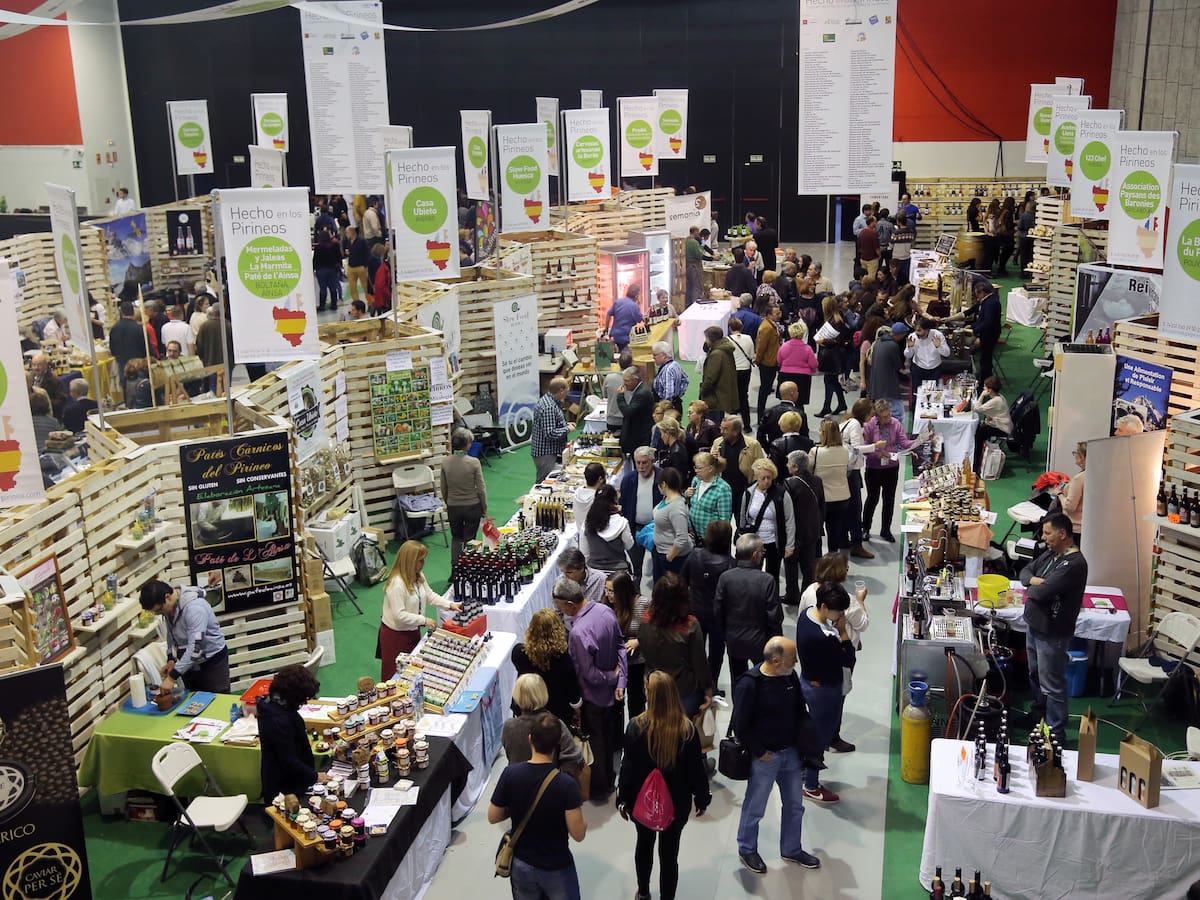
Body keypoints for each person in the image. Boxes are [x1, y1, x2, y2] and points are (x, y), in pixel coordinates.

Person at [617, 670, 711, 900]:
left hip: (643, 801)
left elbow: (627, 768)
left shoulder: (635, 727)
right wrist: (701, 799)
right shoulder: (686, 730)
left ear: (649, 694)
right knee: (670, 855)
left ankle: (643, 892)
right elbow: (696, 771)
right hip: (676, 805)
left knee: (644, 845)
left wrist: (623, 799)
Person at [733, 636, 821, 873]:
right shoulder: (750, 684)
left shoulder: (789, 677)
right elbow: (741, 725)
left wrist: (807, 742)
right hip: (766, 758)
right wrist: (760, 752)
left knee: (795, 805)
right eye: (792, 658)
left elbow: (800, 709)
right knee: (755, 806)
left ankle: (792, 849)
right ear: (775, 660)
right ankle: (747, 848)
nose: (796, 662)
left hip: (791, 753)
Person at [488, 712, 588, 899]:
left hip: (521, 864)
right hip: (556, 865)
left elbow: (493, 816)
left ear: (530, 739)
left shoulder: (511, 774)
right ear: (557, 744)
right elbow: (578, 834)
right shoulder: (566, 785)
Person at [553, 576, 627, 802]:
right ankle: (610, 777)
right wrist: (620, 680)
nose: (559, 610)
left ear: (570, 604)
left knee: (596, 741)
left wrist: (612, 677)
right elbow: (621, 646)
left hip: (593, 697)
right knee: (608, 736)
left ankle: (599, 787)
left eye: (559, 606)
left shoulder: (578, 632)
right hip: (612, 694)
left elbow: (590, 675)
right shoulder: (606, 611)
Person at [1018, 514, 1088, 743]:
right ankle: (1039, 715)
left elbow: (1040, 592)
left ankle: (1056, 731)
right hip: (1035, 624)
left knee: (1052, 683)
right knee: (1035, 675)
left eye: (1048, 533)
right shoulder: (1052, 553)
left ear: (1062, 534)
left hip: (1052, 632)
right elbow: (1025, 573)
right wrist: (1036, 582)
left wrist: (1035, 585)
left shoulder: (1074, 564)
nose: (1043, 537)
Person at [798, 556, 869, 753]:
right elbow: (862, 625)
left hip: (812, 666)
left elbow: (802, 616)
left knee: (817, 710)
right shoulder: (845, 605)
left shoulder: (809, 593)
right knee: (836, 700)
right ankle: (829, 738)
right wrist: (861, 602)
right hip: (833, 666)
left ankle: (823, 734)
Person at [794, 582, 855, 803]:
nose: (841, 615)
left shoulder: (806, 615)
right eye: (838, 611)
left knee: (809, 733)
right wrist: (843, 632)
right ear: (823, 606)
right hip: (824, 691)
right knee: (819, 738)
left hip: (808, 681)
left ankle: (802, 771)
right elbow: (848, 658)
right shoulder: (825, 637)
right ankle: (811, 785)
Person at [379, 541, 461, 680]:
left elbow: (429, 595)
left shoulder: (418, 576)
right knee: (394, 675)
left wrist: (450, 604)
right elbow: (399, 615)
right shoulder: (396, 584)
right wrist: (424, 620)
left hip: (412, 631)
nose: (423, 563)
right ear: (410, 561)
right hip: (396, 637)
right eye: (420, 560)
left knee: (412, 672)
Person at [139, 579, 230, 693]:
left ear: (168, 597)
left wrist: (172, 677)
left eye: (159, 610)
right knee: (192, 699)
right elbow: (171, 634)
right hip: (189, 663)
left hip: (212, 662)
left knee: (218, 700)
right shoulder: (169, 608)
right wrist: (171, 659)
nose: (159, 614)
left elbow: (196, 648)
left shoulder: (194, 609)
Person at [715, 534, 783, 682]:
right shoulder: (767, 580)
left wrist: (726, 636)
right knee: (763, 682)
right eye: (762, 552)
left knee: (738, 681)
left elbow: (718, 612)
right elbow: (775, 617)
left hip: (734, 640)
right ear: (755, 555)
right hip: (760, 643)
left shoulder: (725, 578)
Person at [681, 519, 735, 693]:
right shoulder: (731, 564)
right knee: (716, 654)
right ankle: (711, 686)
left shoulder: (695, 556)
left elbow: (682, 581)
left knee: (694, 651)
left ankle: (696, 685)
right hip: (719, 617)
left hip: (695, 611)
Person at [258, 665, 327, 801]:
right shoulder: (278, 720)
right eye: (303, 698)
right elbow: (288, 760)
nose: (304, 702)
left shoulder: (276, 705)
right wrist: (315, 776)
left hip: (293, 780)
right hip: (286, 789)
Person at [503, 674, 584, 778]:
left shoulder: (509, 727)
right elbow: (574, 759)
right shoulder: (554, 725)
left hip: (518, 782)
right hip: (550, 783)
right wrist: (559, 781)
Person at [512, 609, 581, 726]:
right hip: (555, 716)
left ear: (531, 628)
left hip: (526, 709)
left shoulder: (519, 652)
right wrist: (577, 710)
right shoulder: (562, 658)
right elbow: (572, 689)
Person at [862, 400, 915, 543]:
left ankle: (886, 530)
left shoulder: (896, 424)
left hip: (891, 467)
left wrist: (919, 441)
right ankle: (865, 528)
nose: (888, 418)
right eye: (884, 417)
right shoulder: (869, 426)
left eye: (889, 415)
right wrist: (878, 455)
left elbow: (904, 443)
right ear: (877, 416)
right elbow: (865, 449)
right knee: (872, 498)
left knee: (889, 499)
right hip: (874, 468)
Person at [737, 458, 795, 585]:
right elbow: (743, 516)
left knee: (772, 577)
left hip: (774, 542)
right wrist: (741, 537)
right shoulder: (749, 492)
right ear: (756, 477)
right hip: (754, 542)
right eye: (762, 478)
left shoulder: (781, 493)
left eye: (769, 477)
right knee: (752, 576)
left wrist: (789, 546)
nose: (766, 481)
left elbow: (790, 521)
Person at [606, 571, 650, 720]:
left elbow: (655, 630)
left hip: (637, 661)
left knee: (636, 701)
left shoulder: (643, 603)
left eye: (612, 591)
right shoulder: (607, 606)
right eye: (607, 590)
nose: (608, 594)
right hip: (616, 662)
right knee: (616, 703)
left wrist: (638, 641)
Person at [442, 427, 487, 566]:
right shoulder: (474, 462)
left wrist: (448, 502)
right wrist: (484, 507)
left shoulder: (445, 462)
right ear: (467, 444)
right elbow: (481, 488)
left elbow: (443, 487)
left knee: (456, 538)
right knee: (470, 539)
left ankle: (455, 568)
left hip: (453, 506)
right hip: (472, 506)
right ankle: (469, 567)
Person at [784, 451, 825, 596]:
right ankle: (806, 594)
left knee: (791, 563)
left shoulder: (789, 483)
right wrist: (819, 526)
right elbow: (822, 505)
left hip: (795, 531)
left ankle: (792, 594)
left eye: (789, 463)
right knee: (809, 565)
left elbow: (786, 510)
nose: (787, 465)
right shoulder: (817, 480)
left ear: (795, 467)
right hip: (812, 529)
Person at [840, 399, 877, 560]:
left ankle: (843, 539)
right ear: (865, 413)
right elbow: (856, 448)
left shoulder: (847, 421)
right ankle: (857, 545)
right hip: (852, 472)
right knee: (855, 508)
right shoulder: (855, 424)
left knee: (845, 507)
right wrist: (876, 446)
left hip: (844, 470)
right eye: (871, 412)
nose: (873, 415)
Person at [809, 417, 852, 554]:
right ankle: (833, 559)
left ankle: (817, 559)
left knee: (817, 531)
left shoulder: (815, 452)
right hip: (842, 497)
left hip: (822, 499)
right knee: (835, 531)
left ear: (824, 433)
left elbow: (809, 472)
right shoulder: (845, 450)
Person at [619, 448, 662, 583]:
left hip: (656, 530)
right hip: (635, 529)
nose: (641, 467)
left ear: (652, 462)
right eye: (638, 463)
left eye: (644, 463)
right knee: (636, 567)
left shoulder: (662, 477)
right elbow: (623, 503)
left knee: (657, 567)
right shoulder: (628, 479)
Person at [651, 468, 693, 581]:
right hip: (660, 551)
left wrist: (669, 557)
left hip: (673, 557)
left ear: (664, 484)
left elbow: (682, 537)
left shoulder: (676, 508)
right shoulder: (666, 498)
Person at [582, 484, 633, 577]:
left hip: (595, 573)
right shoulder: (622, 522)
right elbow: (629, 545)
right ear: (614, 500)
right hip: (619, 574)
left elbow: (584, 552)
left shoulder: (587, 523)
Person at [711, 414, 763, 503]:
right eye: (721, 428)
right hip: (723, 492)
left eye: (725, 429)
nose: (722, 432)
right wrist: (712, 460)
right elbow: (710, 466)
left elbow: (761, 468)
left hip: (744, 491)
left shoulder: (752, 445)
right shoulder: (717, 442)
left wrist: (753, 487)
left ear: (736, 431)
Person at [813, 296, 850, 417]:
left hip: (833, 356)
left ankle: (827, 407)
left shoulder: (836, 321)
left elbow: (838, 340)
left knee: (829, 381)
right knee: (832, 381)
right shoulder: (834, 319)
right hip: (832, 356)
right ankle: (840, 404)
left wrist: (823, 340)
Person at [685, 451, 732, 542]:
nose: (696, 471)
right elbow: (690, 504)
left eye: (700, 468)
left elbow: (724, 520)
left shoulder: (722, 488)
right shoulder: (696, 481)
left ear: (710, 468)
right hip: (694, 535)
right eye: (695, 467)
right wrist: (686, 494)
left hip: (711, 540)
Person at [531, 376, 571, 483]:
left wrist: (564, 425)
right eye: (567, 390)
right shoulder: (549, 407)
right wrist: (567, 429)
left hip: (548, 451)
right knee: (543, 482)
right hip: (545, 453)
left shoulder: (550, 401)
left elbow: (551, 423)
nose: (567, 392)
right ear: (561, 390)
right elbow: (550, 433)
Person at [868, 322, 909, 421]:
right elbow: (898, 365)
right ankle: (896, 429)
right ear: (900, 334)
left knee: (880, 411)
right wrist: (906, 371)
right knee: (898, 413)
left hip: (876, 383)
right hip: (888, 385)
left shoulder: (877, 343)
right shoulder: (893, 345)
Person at [754, 305, 785, 424]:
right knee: (764, 390)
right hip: (767, 363)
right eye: (776, 313)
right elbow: (761, 347)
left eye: (779, 312)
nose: (779, 315)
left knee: (766, 389)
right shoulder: (766, 328)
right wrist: (758, 360)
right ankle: (760, 416)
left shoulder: (773, 325)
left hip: (772, 361)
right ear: (769, 315)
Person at [777, 324, 818, 412]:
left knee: (785, 401)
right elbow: (814, 364)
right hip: (802, 378)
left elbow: (779, 361)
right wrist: (810, 371)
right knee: (799, 403)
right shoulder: (807, 349)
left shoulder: (784, 346)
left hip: (785, 376)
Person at [973, 376, 1012, 470]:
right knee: (981, 429)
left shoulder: (995, 401)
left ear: (989, 390)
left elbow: (976, 409)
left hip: (1002, 429)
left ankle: (976, 462)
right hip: (1003, 425)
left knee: (979, 434)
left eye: (985, 387)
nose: (983, 389)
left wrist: (982, 395)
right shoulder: (1000, 397)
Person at [904, 317, 951, 393]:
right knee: (917, 393)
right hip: (918, 369)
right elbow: (908, 355)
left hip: (935, 369)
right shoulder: (912, 337)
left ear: (927, 330)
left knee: (934, 393)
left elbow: (947, 353)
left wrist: (939, 347)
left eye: (919, 330)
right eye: (916, 330)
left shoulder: (938, 335)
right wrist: (910, 347)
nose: (916, 333)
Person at [618, 366, 655, 458]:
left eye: (626, 381)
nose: (624, 384)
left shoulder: (641, 393)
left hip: (640, 437)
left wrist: (620, 397)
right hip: (638, 434)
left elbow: (628, 412)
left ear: (635, 380)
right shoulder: (640, 391)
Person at [726, 318, 755, 424]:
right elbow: (751, 355)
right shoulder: (748, 338)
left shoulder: (727, 340)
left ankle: (732, 423)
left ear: (730, 328)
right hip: (746, 370)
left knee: (732, 396)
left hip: (733, 371)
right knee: (743, 396)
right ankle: (747, 424)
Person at [972, 280, 1003, 380]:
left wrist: (975, 330)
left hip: (989, 335)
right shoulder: (991, 300)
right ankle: (985, 379)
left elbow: (988, 322)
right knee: (985, 359)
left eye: (977, 294)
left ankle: (985, 381)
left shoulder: (991, 303)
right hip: (989, 333)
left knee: (985, 360)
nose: (977, 297)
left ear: (982, 292)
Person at [758, 380, 803, 447]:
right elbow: (804, 435)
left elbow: (760, 435)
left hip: (773, 448)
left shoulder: (769, 412)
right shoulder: (799, 414)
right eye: (797, 391)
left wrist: (769, 448)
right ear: (792, 394)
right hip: (794, 449)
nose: (798, 393)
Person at [1058, 442, 1087, 544]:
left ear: (1083, 457)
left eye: (1076, 453)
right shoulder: (1096, 474)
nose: (1074, 455)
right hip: (1086, 526)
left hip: (1074, 527)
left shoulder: (1079, 479)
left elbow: (1070, 507)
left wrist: (1059, 495)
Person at [650, 341, 688, 414]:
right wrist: (679, 394)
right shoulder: (676, 364)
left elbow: (669, 393)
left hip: (667, 410)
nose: (653, 357)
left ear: (664, 355)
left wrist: (663, 409)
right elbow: (685, 379)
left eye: (655, 355)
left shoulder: (667, 370)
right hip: (677, 404)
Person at [606, 285, 646, 351]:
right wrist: (639, 305)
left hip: (614, 336)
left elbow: (608, 314)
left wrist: (606, 329)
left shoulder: (618, 302)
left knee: (614, 355)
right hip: (626, 338)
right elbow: (640, 320)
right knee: (625, 356)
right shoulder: (634, 306)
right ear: (636, 296)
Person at [604, 349, 634, 436]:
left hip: (611, 420)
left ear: (618, 363)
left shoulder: (609, 378)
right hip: (628, 420)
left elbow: (605, 395)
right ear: (631, 365)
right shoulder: (634, 380)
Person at [29, 352, 67, 420]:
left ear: (46, 365)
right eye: (34, 365)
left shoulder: (54, 381)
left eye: (39, 365)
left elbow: (61, 401)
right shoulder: (29, 378)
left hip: (48, 415)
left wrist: (45, 402)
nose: (36, 368)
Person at [313, 226, 343, 311]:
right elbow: (339, 257)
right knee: (333, 288)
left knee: (323, 289)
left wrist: (314, 268)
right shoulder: (335, 245)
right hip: (332, 269)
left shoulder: (318, 247)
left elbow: (315, 260)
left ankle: (322, 306)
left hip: (321, 270)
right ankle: (334, 304)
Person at [572, 462, 607, 528]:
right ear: (600, 479)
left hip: (580, 530)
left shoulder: (577, 492)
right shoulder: (598, 499)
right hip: (593, 533)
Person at [655, 417, 690, 483]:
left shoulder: (676, 452)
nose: (661, 437)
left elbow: (678, 476)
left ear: (667, 433)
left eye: (662, 433)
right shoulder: (676, 447)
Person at [343, 224, 370, 303]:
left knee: (365, 287)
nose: (346, 234)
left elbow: (367, 253)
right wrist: (347, 252)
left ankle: (370, 302)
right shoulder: (348, 241)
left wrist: (365, 265)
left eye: (347, 232)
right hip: (351, 267)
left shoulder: (362, 241)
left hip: (361, 267)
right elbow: (346, 251)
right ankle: (356, 303)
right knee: (352, 288)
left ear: (352, 232)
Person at [890, 212, 915, 285]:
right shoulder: (911, 232)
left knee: (896, 275)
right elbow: (912, 244)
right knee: (905, 275)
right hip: (906, 256)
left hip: (896, 257)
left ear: (899, 222)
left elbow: (891, 245)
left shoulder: (896, 233)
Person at [684, 225, 706, 306]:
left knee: (688, 286)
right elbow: (699, 255)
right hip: (695, 267)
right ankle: (695, 304)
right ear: (695, 232)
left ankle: (688, 304)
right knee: (696, 286)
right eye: (698, 231)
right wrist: (703, 242)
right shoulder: (694, 242)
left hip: (686, 266)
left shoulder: (685, 241)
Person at [856, 216, 880, 281]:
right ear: (871, 223)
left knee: (864, 277)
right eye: (875, 222)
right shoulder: (874, 234)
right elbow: (876, 248)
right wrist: (879, 255)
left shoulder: (862, 232)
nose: (876, 223)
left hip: (863, 258)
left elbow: (859, 245)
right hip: (872, 259)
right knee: (871, 279)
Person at [371, 244, 392, 313]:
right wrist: (389, 295)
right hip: (383, 299)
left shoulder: (382, 266)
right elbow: (381, 285)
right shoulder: (383, 268)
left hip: (381, 297)